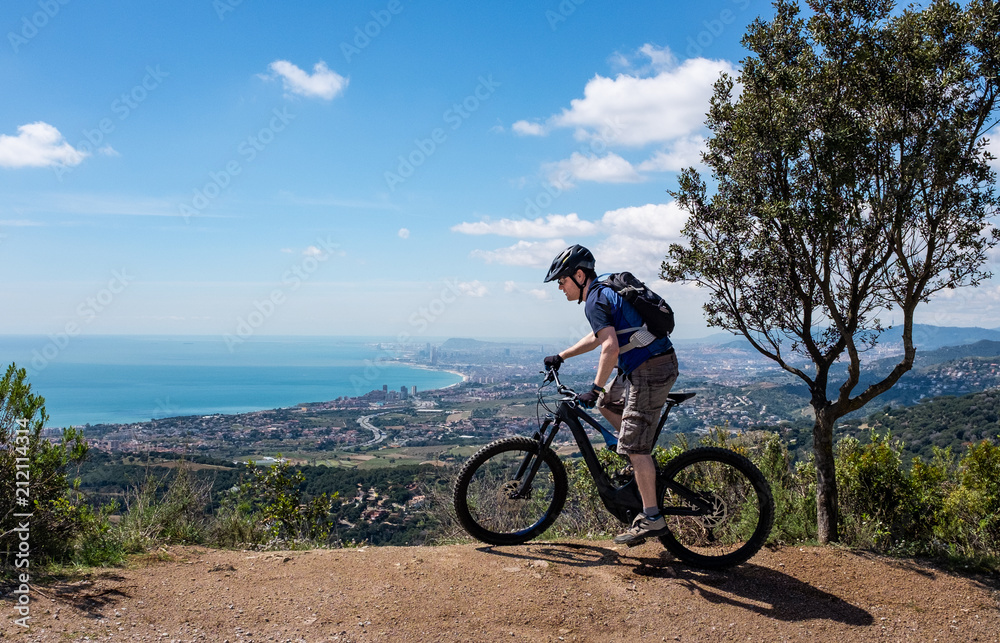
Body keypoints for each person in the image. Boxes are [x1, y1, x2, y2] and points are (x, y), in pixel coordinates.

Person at [542, 244, 678, 545]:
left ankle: (652, 517)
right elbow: (599, 336)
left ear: (579, 275)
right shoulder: (603, 292)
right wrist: (562, 356)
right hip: (644, 366)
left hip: (650, 369)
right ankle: (637, 457)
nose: (560, 288)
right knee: (607, 404)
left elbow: (610, 347)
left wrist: (596, 386)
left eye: (562, 281)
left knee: (635, 445)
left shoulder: (595, 299)